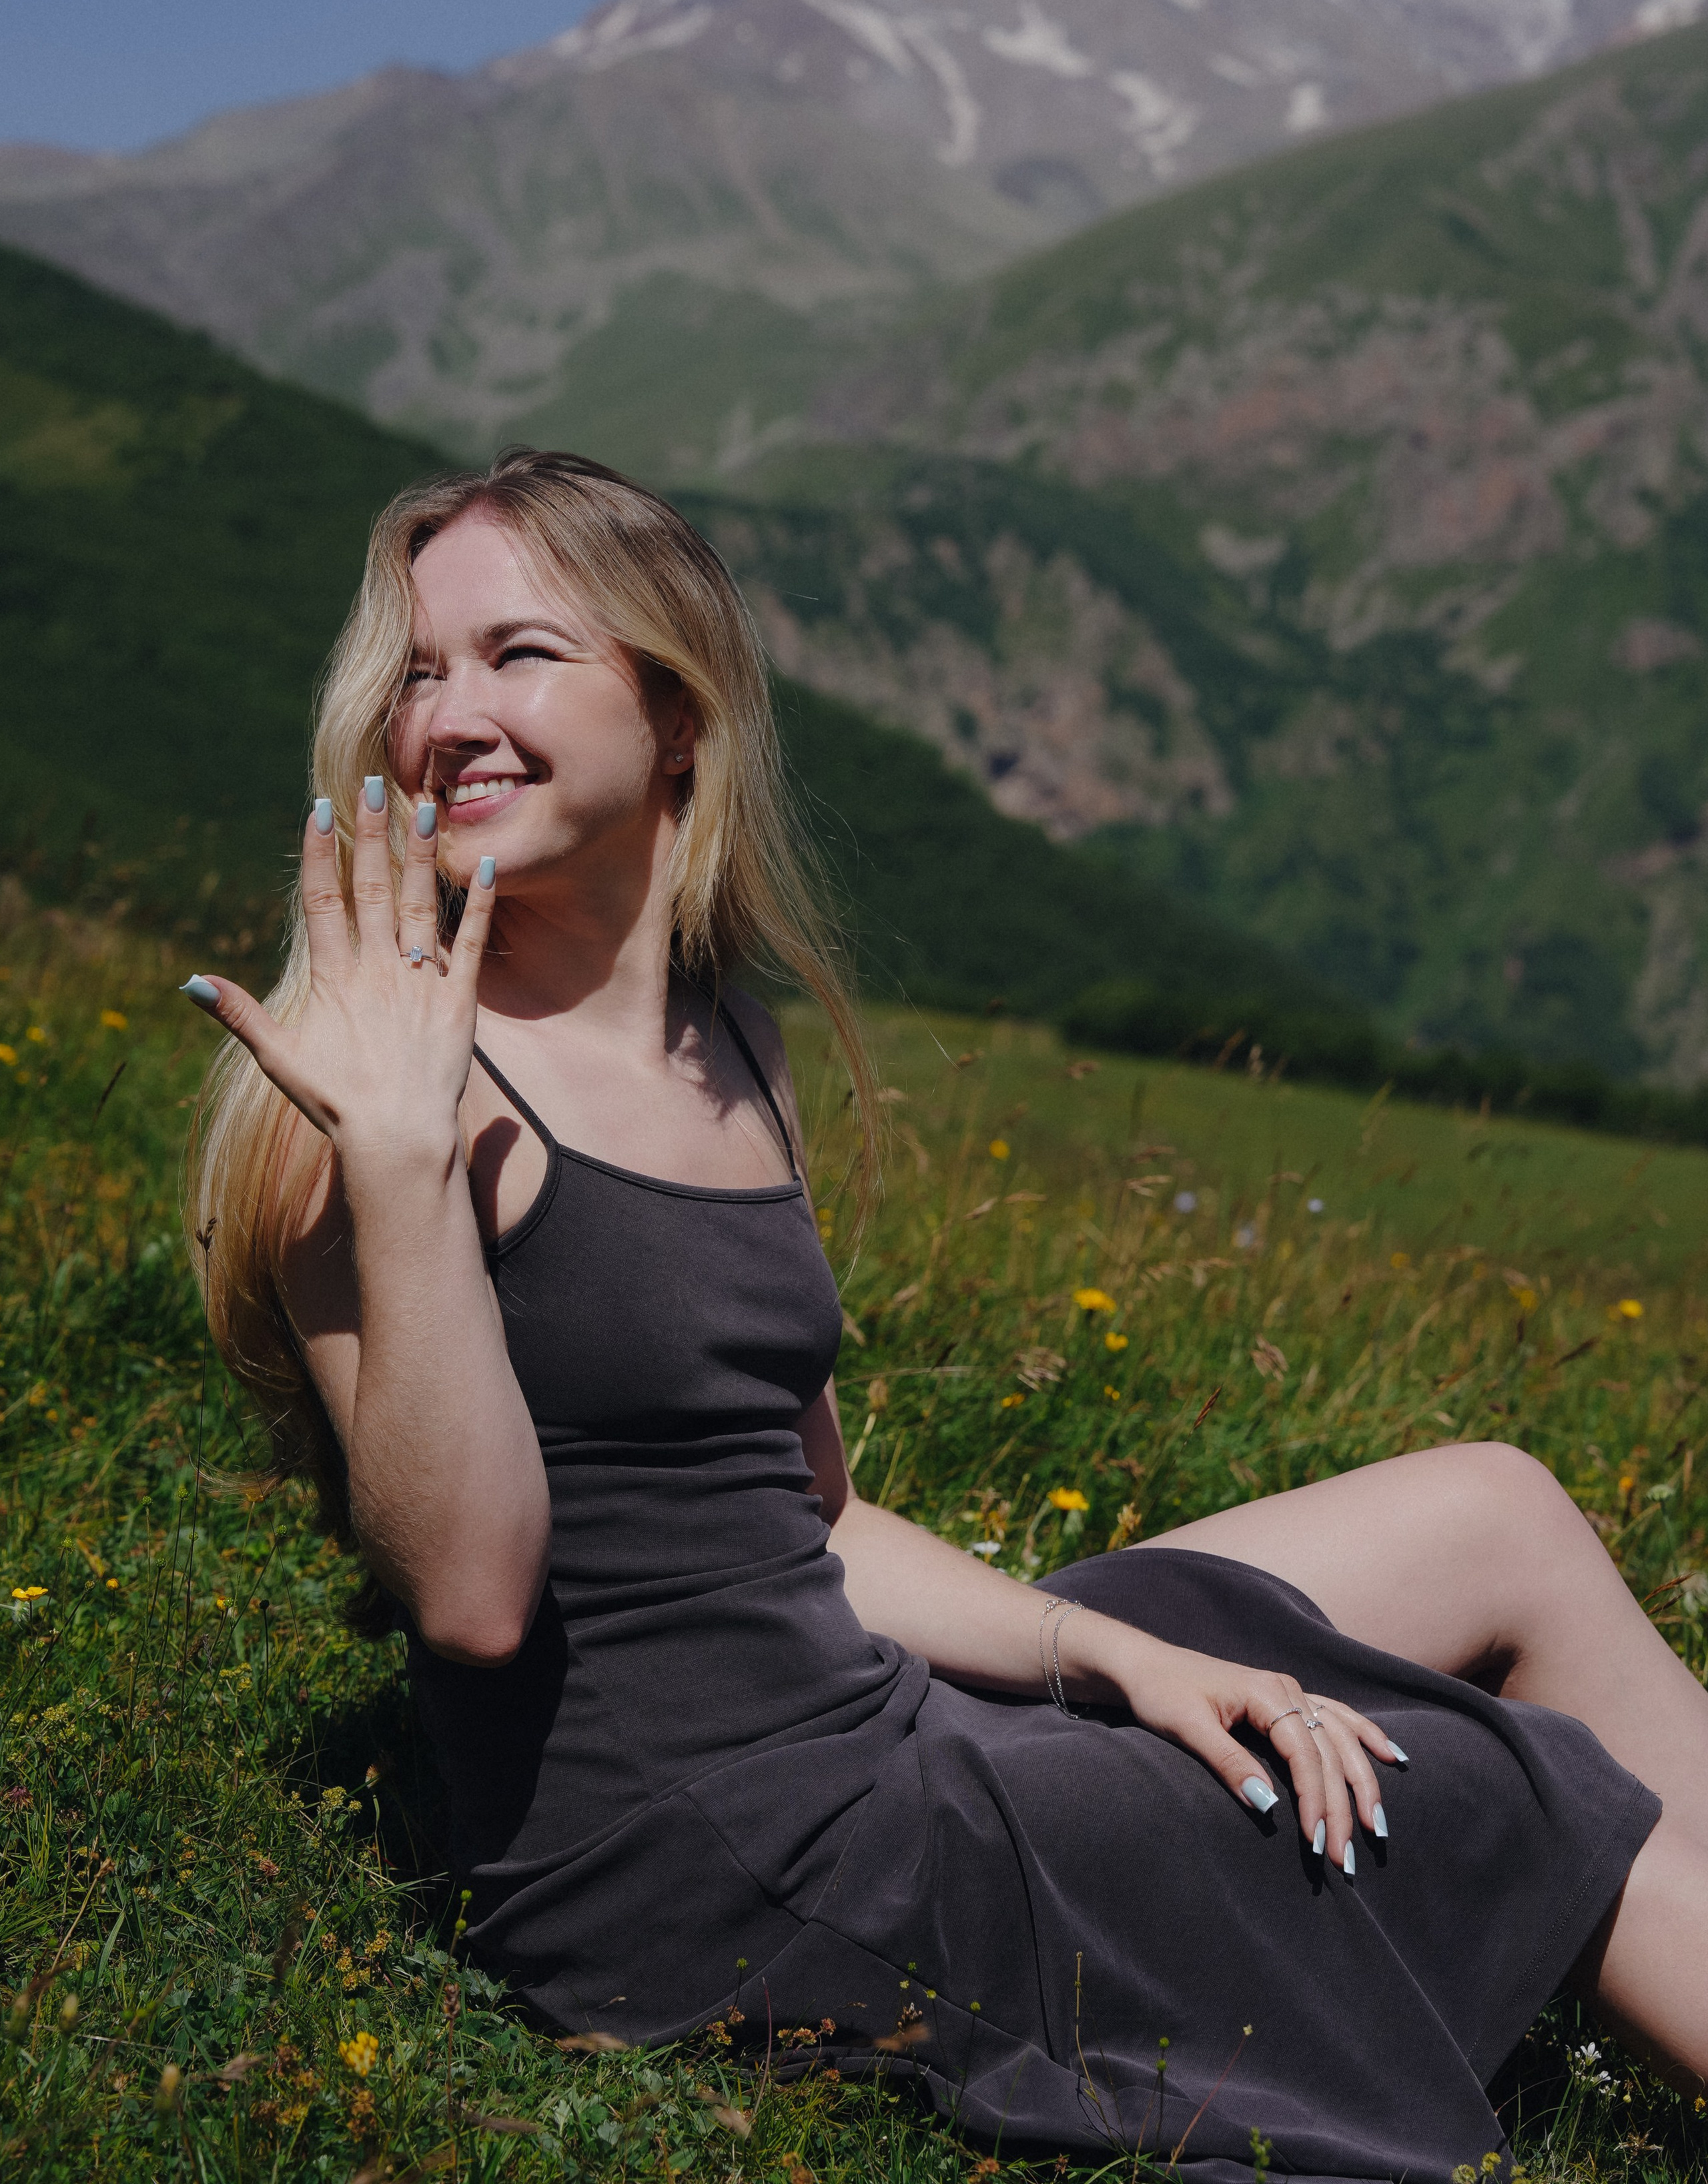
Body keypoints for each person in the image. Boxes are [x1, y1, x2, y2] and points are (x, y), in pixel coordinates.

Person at [184, 448, 1707, 2181]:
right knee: (1491, 1786)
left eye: (519, 654)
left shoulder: (723, 1036)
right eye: (420, 672)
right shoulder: (372, 1108)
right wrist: (395, 1171)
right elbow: (466, 1599)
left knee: (1494, 1507)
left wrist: (1110, 1653)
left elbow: (811, 1518)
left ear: (677, 717)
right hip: (721, 1865)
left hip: (855, 1717)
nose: (451, 713)